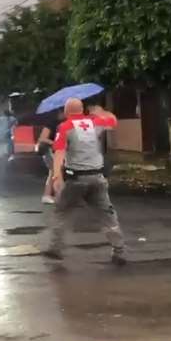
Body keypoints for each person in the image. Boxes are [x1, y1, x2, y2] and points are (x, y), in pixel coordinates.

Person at [48, 98, 126, 266]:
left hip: (76, 179)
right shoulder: (95, 122)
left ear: (67, 111)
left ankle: (56, 248)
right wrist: (101, 112)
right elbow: (113, 121)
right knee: (107, 216)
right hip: (97, 178)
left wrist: (57, 176)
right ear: (82, 110)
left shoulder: (65, 127)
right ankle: (119, 250)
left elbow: (59, 152)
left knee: (62, 211)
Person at [37, 110, 64, 205]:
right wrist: (54, 143)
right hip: (49, 151)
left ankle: (48, 195)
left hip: (57, 152)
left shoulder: (65, 123)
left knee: (53, 172)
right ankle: (57, 196)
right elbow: (42, 138)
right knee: (56, 173)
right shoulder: (51, 123)